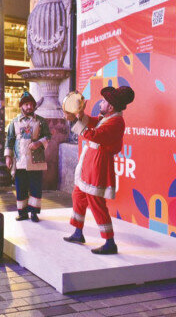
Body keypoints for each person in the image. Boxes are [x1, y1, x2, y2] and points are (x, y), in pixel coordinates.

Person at [63, 86, 135, 255]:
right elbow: (94, 121)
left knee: (96, 202)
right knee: (78, 195)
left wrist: (77, 123)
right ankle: (78, 232)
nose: (101, 103)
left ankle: (110, 242)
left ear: (110, 106)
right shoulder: (108, 117)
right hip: (91, 161)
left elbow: (96, 135)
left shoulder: (117, 122)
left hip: (98, 163)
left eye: (103, 101)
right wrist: (80, 115)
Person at [5, 91, 52, 222]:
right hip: (20, 160)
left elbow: (48, 136)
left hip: (36, 160)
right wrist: (8, 157)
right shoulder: (14, 122)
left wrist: (39, 143)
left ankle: (34, 213)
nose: (29, 107)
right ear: (21, 106)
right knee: (21, 186)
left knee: (35, 186)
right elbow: (9, 139)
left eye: (31, 104)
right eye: (26, 104)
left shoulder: (41, 121)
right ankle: (22, 212)